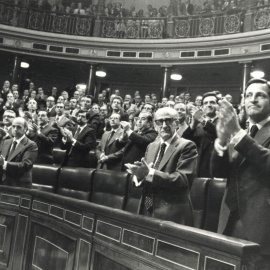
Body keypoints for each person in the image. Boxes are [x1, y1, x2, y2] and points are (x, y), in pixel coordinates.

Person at [211, 78, 270, 269]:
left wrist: (237, 133)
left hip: (261, 230)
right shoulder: (241, 133)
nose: (253, 100)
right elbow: (219, 172)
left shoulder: (240, 134)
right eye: (249, 95)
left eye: (261, 95)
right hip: (229, 223)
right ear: (243, 101)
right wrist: (220, 141)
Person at [126, 107, 197, 224]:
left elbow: (183, 180)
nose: (164, 125)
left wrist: (149, 173)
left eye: (168, 121)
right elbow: (147, 176)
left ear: (177, 123)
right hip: (146, 209)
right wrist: (139, 176)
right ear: (155, 125)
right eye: (159, 122)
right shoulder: (151, 146)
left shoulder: (187, 146)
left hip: (172, 214)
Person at [183, 92, 218, 177]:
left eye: (212, 102)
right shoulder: (198, 125)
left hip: (217, 168)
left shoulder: (224, 121)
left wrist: (202, 120)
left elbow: (220, 133)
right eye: (205, 103)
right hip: (199, 168)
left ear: (218, 106)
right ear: (202, 107)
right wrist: (193, 125)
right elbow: (184, 141)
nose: (208, 105)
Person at [0, 117, 38, 188]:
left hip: (19, 184)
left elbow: (25, 165)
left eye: (19, 127)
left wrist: (4, 164)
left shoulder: (31, 145)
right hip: (3, 182)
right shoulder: (6, 142)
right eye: (13, 126)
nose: (15, 129)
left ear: (25, 129)